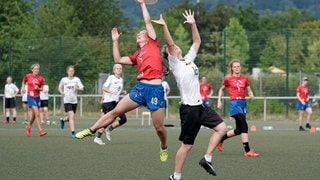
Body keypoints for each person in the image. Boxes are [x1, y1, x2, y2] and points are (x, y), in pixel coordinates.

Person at [76, 0, 168, 163]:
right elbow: (118, 59)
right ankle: (92, 130)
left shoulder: (153, 44)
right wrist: (115, 41)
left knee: (159, 128)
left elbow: (147, 21)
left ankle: (163, 147)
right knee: (115, 112)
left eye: (141, 34)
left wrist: (142, 4)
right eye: (138, 35)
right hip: (140, 88)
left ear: (148, 37)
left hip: (155, 89)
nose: (138, 35)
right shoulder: (137, 54)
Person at [153, 10, 227, 179]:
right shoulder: (175, 64)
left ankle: (207, 159)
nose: (176, 46)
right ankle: (176, 176)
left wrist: (193, 23)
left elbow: (197, 40)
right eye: (172, 48)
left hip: (201, 106)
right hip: (190, 110)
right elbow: (170, 44)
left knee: (222, 129)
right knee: (187, 145)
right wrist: (165, 27)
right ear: (170, 54)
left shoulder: (188, 60)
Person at [217, 59, 259, 157]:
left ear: (240, 67)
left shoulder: (245, 78)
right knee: (244, 126)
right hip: (235, 103)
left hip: (243, 103)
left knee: (239, 129)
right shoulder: (228, 79)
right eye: (234, 66)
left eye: (238, 66)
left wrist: (251, 94)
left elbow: (248, 89)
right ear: (232, 68)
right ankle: (247, 151)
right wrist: (219, 100)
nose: (237, 68)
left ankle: (221, 139)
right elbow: (221, 89)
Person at [94, 64, 127, 145]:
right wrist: (111, 92)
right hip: (108, 102)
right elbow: (104, 88)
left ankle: (109, 129)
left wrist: (123, 92)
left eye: (120, 68)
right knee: (108, 120)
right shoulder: (111, 77)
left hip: (115, 102)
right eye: (117, 68)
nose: (119, 70)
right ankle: (98, 137)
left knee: (123, 119)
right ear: (114, 70)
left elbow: (117, 90)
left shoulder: (121, 79)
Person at [58, 65, 84, 138]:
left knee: (70, 117)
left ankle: (63, 120)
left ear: (74, 72)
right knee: (71, 116)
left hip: (74, 101)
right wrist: (61, 92)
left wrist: (77, 88)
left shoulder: (77, 79)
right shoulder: (63, 80)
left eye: (72, 71)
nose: (71, 72)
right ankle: (73, 133)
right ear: (67, 72)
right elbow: (59, 87)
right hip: (67, 100)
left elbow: (82, 88)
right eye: (70, 71)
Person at [22, 63, 47, 137]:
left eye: (38, 69)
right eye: (35, 69)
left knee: (34, 115)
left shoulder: (41, 78)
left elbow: (42, 88)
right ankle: (40, 131)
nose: (36, 70)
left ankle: (28, 127)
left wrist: (38, 88)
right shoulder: (28, 76)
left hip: (37, 97)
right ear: (32, 69)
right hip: (30, 96)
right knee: (37, 113)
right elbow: (24, 81)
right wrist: (23, 88)